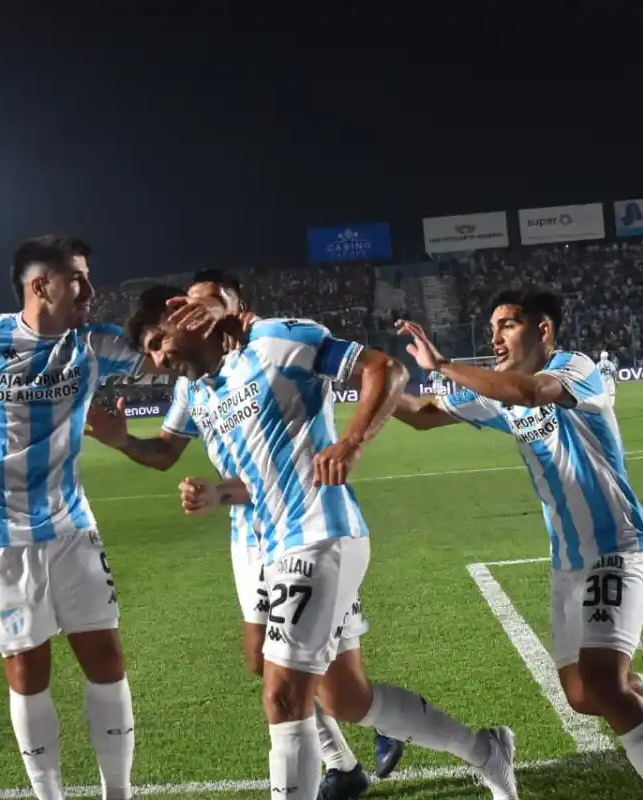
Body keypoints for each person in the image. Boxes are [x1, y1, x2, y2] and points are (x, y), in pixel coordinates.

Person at [125, 288, 519, 800]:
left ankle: (340, 773)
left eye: (157, 342)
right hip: (271, 546)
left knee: (284, 694)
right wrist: (220, 492)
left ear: (182, 313)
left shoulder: (276, 339)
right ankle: (485, 748)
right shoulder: (204, 391)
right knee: (347, 698)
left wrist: (351, 441)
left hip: (319, 534)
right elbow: (263, 479)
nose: (157, 361)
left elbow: (387, 370)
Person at [0, 235, 232, 800]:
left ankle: (119, 793)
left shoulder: (95, 344)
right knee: (27, 671)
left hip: (71, 525)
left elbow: (169, 352)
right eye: (78, 279)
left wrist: (214, 309)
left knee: (106, 656)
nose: (90, 289)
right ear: (41, 286)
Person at [392, 290, 643, 800]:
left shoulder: (576, 369)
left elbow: (530, 393)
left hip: (617, 543)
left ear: (543, 330)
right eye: (494, 328)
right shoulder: (496, 393)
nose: (496, 337)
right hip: (569, 559)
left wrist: (441, 363)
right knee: (583, 693)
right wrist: (357, 379)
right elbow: (421, 412)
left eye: (508, 324)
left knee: (601, 680)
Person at [87, 273, 405, 799]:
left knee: (306, 679)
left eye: (214, 301)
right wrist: (125, 444)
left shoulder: (269, 346)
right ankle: (343, 763)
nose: (203, 310)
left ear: (234, 308)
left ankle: (370, 733)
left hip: (305, 525)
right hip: (248, 530)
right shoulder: (196, 382)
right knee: (265, 662)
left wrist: (351, 440)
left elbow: (377, 373)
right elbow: (166, 452)